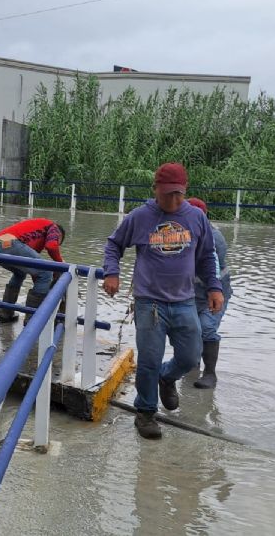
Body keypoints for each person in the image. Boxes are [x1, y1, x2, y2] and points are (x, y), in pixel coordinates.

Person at [103, 162, 224, 440]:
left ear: (185, 190)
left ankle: (166, 377)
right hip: (150, 303)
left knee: (191, 356)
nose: (173, 200)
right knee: (148, 360)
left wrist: (214, 288)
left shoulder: (196, 218)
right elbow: (113, 244)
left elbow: (207, 256)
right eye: (167, 193)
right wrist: (112, 272)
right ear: (155, 189)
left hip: (184, 301)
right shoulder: (140, 216)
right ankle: (145, 412)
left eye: (178, 194)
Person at [186, 197, 232, 389]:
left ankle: (210, 373)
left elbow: (209, 269)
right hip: (188, 296)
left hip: (213, 295)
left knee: (206, 328)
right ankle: (192, 366)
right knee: (188, 331)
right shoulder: (179, 234)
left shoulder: (215, 239)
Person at [0, 218, 66, 323]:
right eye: (58, 241)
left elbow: (35, 274)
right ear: (60, 235)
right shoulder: (54, 228)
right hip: (11, 243)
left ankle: (6, 314)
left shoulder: (35, 238)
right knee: (46, 271)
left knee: (20, 273)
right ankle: (32, 321)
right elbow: (51, 247)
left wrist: (44, 287)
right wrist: (61, 264)